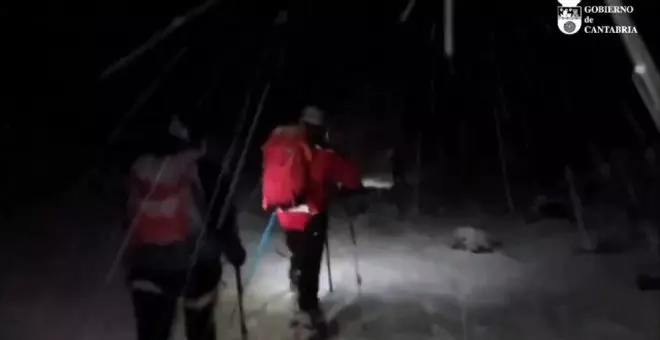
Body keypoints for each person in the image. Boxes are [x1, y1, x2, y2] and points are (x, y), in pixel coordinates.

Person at [125, 116, 246, 340]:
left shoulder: (139, 167)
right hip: (194, 267)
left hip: (145, 265)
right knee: (200, 328)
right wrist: (235, 251)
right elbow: (221, 220)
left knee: (152, 334)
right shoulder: (205, 168)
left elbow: (129, 217)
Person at [269, 106, 367, 333]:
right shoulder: (323, 153)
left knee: (298, 251)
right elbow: (350, 178)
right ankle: (308, 309)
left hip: (286, 213)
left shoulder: (287, 147)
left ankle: (296, 276)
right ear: (321, 128)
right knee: (311, 262)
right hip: (311, 217)